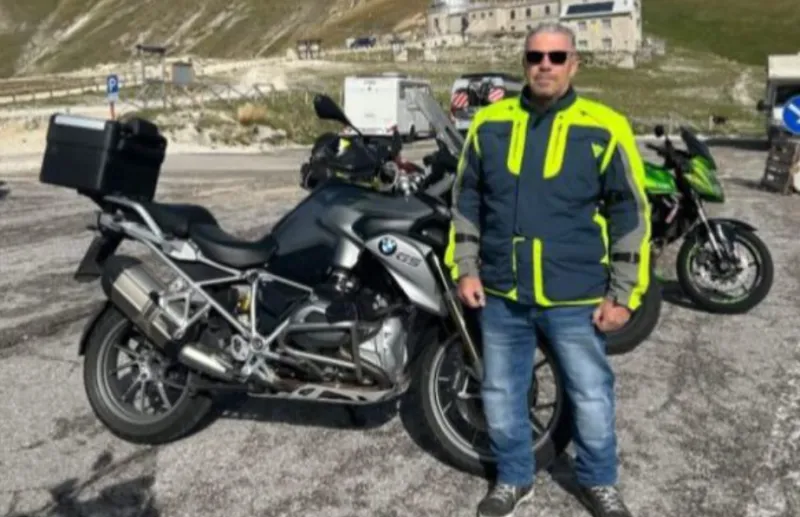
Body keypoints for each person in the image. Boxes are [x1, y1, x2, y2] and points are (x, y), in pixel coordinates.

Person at [449, 22, 651, 517]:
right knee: (501, 390)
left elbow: (630, 212)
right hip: (502, 291)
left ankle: (599, 480)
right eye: (535, 56)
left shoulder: (604, 126)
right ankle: (514, 477)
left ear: (574, 64)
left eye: (556, 57)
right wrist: (466, 268)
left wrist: (624, 293)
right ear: (524, 63)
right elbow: (466, 200)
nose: (545, 65)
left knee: (591, 393)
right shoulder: (489, 124)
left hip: (575, 294)